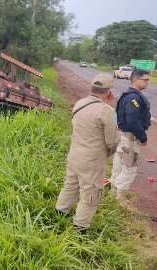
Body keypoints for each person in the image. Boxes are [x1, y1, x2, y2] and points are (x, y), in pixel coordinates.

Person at [55, 74, 119, 230]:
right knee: (90, 193)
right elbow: (112, 141)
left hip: (74, 153)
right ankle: (80, 228)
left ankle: (59, 215)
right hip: (91, 160)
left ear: (92, 88)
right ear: (109, 91)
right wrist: (110, 152)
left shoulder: (79, 103)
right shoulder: (107, 111)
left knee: (70, 185)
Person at [110, 69, 151, 204]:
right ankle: (120, 200)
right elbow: (133, 121)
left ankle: (113, 194)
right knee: (129, 168)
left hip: (122, 136)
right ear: (136, 79)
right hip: (130, 138)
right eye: (145, 80)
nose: (147, 82)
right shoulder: (133, 97)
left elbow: (125, 116)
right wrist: (143, 137)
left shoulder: (127, 95)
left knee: (119, 165)